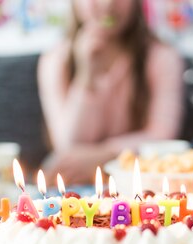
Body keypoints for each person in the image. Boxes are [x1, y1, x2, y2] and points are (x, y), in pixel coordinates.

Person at [38, 0, 184, 184]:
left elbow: (163, 136)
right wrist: (86, 77)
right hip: (77, 178)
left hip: (138, 177)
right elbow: (68, 144)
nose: (108, 4)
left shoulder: (162, 57)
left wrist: (105, 156)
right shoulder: (56, 60)